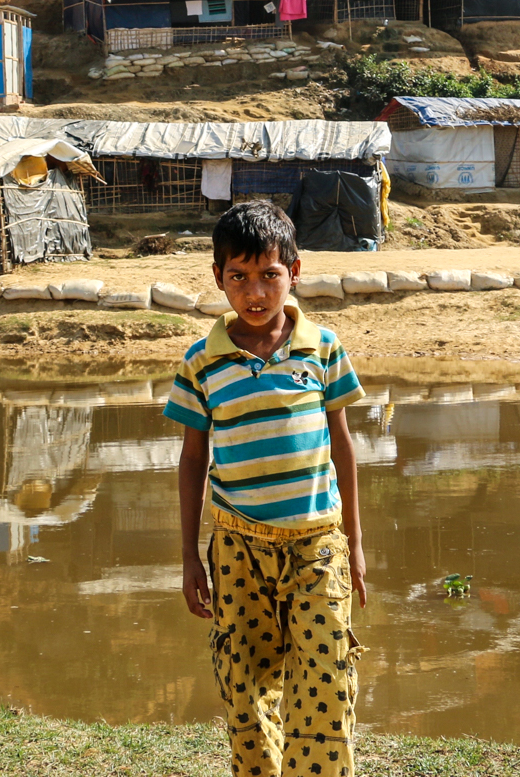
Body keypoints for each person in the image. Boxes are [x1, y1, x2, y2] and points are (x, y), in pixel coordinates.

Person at [166, 201, 366, 777]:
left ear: (294, 273)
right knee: (246, 689)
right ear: (218, 278)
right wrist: (188, 559)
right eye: (239, 277)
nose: (255, 292)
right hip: (236, 548)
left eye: (269, 276)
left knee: (325, 680)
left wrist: (354, 543)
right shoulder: (201, 363)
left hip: (318, 544)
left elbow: (344, 447)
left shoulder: (323, 349)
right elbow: (191, 460)